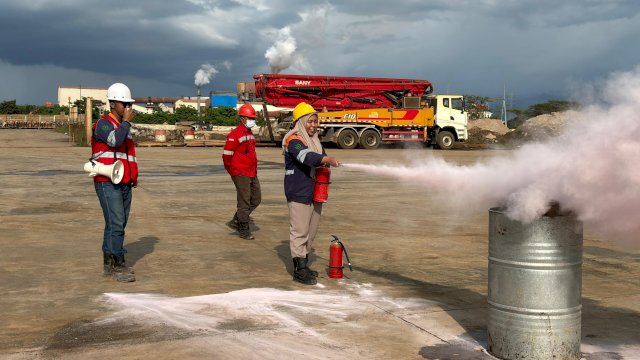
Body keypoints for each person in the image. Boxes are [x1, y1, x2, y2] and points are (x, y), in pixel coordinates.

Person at [283, 102, 340, 285]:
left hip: (315, 192)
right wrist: (325, 159)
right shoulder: (293, 140)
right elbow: (305, 156)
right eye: (310, 121)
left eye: (316, 121)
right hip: (299, 191)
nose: (314, 125)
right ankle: (299, 270)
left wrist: (325, 161)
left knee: (311, 231)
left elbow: (319, 159)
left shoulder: (315, 141)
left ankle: (304, 263)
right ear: (300, 122)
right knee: (300, 230)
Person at [91, 83, 138, 282]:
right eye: (124, 104)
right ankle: (117, 265)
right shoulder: (102, 124)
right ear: (112, 104)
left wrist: (133, 177)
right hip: (107, 180)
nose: (128, 108)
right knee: (116, 222)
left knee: (117, 223)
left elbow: (127, 154)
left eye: (129, 104)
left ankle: (108, 262)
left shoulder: (122, 127)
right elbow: (114, 142)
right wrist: (126, 123)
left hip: (124, 180)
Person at [223, 104, 262, 240]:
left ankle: (236, 220)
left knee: (256, 199)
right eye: (250, 118)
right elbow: (227, 155)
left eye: (253, 118)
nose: (252, 120)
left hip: (251, 172)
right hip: (240, 172)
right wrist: (232, 170)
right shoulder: (235, 135)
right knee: (244, 202)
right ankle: (244, 230)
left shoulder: (249, 134)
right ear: (242, 118)